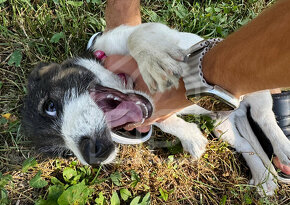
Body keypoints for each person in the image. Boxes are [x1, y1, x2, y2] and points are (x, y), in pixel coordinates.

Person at [100, 0, 290, 174]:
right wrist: (186, 131)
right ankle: (261, 166)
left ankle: (270, 126)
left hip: (199, 66)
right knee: (227, 131)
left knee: (255, 93)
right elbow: (164, 117)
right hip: (213, 107)